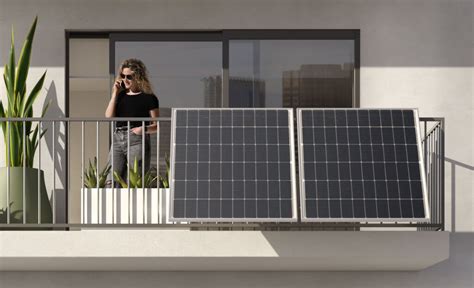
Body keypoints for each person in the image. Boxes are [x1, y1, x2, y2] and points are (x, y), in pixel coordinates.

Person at [105, 58, 159, 187]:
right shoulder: (121, 95)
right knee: (110, 179)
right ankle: (111, 207)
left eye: (129, 76)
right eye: (123, 76)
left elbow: (157, 125)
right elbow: (108, 116)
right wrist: (114, 94)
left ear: (138, 77)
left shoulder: (149, 98)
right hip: (118, 138)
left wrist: (143, 129)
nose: (125, 79)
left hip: (137, 139)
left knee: (134, 180)